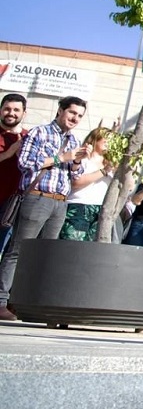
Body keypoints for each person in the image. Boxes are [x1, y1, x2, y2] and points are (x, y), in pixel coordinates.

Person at [0, 95, 90, 321]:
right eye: (71, 113)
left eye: (79, 115)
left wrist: (77, 160)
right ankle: (1, 301)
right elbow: (26, 163)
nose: (74, 118)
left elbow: (76, 175)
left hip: (60, 201)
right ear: (60, 111)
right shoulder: (39, 132)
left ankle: (30, 302)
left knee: (45, 255)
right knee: (18, 250)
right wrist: (62, 157)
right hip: (36, 197)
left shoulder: (73, 140)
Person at [59, 126, 115, 241]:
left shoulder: (112, 163)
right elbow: (76, 182)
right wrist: (104, 171)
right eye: (106, 138)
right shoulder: (83, 159)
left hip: (101, 209)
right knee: (73, 245)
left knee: (90, 249)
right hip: (79, 206)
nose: (109, 143)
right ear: (96, 138)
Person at [0, 93, 29, 257]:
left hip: (13, 205)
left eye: (16, 110)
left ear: (24, 113)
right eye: (7, 109)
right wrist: (8, 153)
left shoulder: (29, 137)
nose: (11, 113)